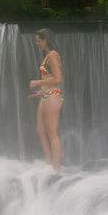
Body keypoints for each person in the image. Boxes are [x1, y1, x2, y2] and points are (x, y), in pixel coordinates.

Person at [29, 29, 63, 172]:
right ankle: (49, 163)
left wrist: (37, 82)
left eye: (38, 40)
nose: (37, 43)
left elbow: (58, 78)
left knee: (52, 133)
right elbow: (49, 78)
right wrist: (41, 91)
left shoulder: (53, 55)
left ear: (45, 40)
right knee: (40, 129)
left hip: (53, 96)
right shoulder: (48, 55)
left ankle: (56, 169)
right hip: (45, 95)